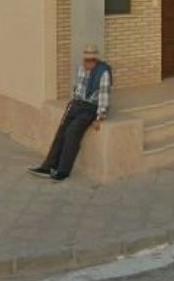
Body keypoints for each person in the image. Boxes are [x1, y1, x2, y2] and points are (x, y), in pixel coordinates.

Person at [28, 43, 112, 181]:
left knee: (72, 132)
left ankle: (63, 171)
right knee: (61, 132)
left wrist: (100, 117)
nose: (88, 63)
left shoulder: (103, 72)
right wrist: (73, 102)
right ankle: (48, 166)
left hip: (90, 108)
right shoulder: (80, 69)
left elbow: (104, 95)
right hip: (76, 105)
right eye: (86, 60)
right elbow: (77, 88)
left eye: (91, 60)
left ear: (96, 60)